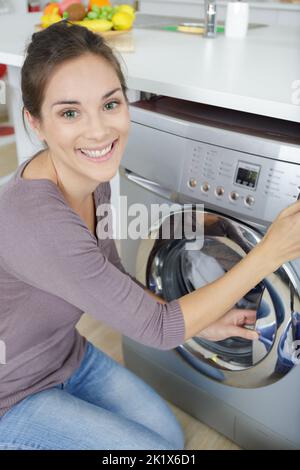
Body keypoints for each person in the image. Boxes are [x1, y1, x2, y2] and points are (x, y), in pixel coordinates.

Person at [0, 21, 299, 451]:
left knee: (167, 440)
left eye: (110, 104)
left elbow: (115, 279)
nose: (99, 131)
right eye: (69, 112)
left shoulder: (89, 176)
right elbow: (159, 329)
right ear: (36, 123)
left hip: (65, 355)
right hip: (11, 393)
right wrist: (271, 251)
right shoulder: (37, 221)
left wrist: (206, 321)